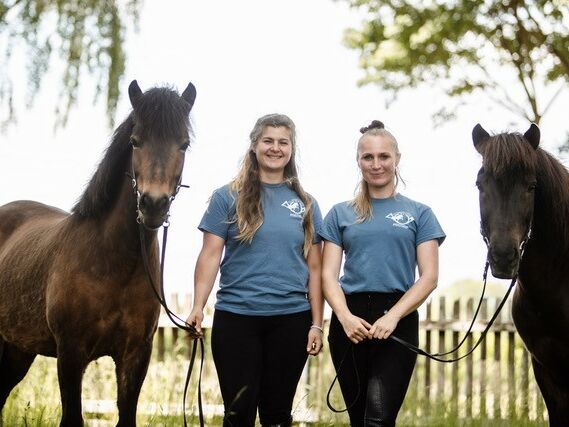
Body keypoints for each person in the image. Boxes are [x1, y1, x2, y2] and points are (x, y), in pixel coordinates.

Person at [186, 113, 324, 427]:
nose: (275, 148)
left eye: (283, 142)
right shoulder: (226, 197)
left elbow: (315, 269)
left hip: (290, 320)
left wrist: (316, 324)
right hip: (236, 319)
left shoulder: (306, 203)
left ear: (291, 149)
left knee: (276, 415)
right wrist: (197, 306)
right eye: (268, 141)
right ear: (254, 146)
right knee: (239, 413)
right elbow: (209, 256)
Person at [319, 120, 445, 426]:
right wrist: (345, 317)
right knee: (358, 417)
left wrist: (393, 317)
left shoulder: (420, 213)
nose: (376, 164)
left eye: (384, 157)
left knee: (379, 417)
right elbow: (327, 275)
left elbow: (429, 277)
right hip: (350, 321)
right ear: (358, 161)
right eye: (368, 157)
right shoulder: (340, 213)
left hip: (397, 318)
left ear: (397, 158)